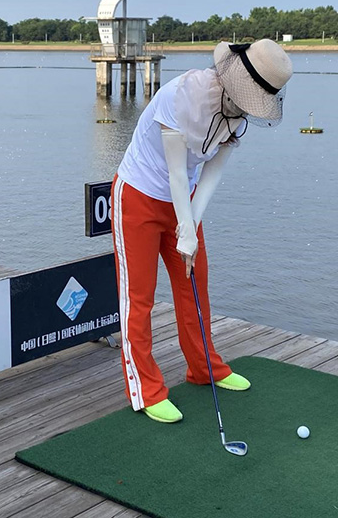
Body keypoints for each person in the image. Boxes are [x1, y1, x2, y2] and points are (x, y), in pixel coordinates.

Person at [111, 39, 293, 423]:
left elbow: (210, 175)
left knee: (194, 286)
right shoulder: (180, 97)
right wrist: (186, 233)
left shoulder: (238, 115)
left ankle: (204, 368)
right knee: (138, 297)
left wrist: (190, 225)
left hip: (185, 201)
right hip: (139, 196)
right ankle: (145, 389)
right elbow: (176, 173)